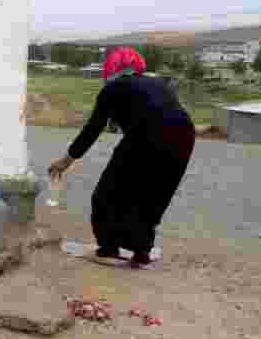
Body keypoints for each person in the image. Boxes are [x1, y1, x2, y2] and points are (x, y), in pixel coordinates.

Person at [48, 47, 195, 268]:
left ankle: (108, 249)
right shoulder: (158, 84)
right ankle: (141, 253)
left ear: (111, 69)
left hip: (147, 135)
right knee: (152, 195)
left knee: (106, 195)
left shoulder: (113, 88)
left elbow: (92, 129)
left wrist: (66, 161)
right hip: (184, 137)